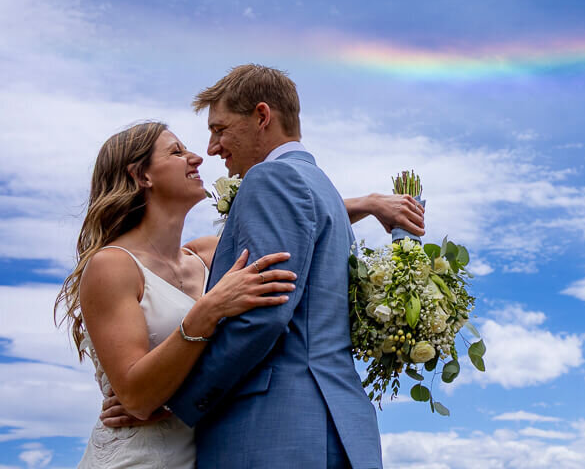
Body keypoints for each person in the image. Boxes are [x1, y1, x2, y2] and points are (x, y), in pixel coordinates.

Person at [59, 69, 424, 468]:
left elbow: (294, 230)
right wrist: (208, 309)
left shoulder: (206, 254)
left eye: (219, 129)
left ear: (262, 117)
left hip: (247, 433)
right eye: (178, 152)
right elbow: (136, 397)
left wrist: (368, 204)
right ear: (140, 175)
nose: (205, 151)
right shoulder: (114, 265)